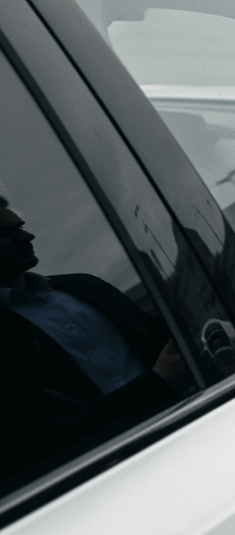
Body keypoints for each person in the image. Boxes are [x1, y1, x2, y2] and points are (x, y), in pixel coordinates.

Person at [0, 195, 189, 491]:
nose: (27, 235)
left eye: (20, 226)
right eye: (6, 234)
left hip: (195, 422)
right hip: (109, 477)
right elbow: (32, 441)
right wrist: (157, 384)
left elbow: (169, 336)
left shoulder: (85, 286)